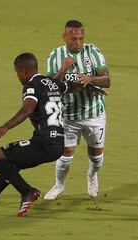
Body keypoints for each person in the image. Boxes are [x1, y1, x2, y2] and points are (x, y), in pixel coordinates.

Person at [0, 52, 78, 217]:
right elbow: (66, 85)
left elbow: (27, 109)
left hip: (44, 143)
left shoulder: (31, 86)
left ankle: (28, 191)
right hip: (57, 143)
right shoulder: (50, 83)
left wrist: (5, 127)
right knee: (13, 164)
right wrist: (88, 82)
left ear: (24, 71)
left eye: (17, 72)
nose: (18, 76)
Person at [44, 20, 111, 200]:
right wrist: (64, 67)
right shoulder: (55, 55)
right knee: (65, 155)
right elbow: (50, 86)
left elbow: (107, 80)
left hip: (94, 113)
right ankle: (59, 186)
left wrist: (91, 79)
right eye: (74, 39)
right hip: (68, 116)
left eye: (81, 38)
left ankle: (92, 175)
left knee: (96, 157)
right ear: (65, 37)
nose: (78, 43)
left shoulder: (93, 52)